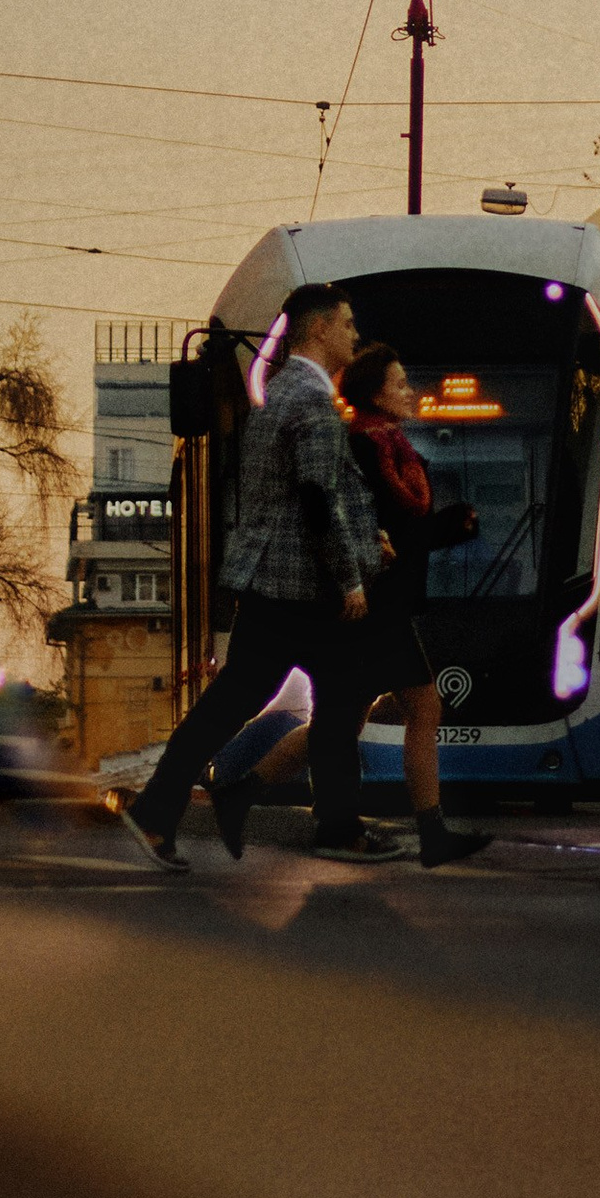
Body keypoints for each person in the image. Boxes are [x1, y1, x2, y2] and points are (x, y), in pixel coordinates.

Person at [116, 282, 397, 871]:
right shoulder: (313, 405)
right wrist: (350, 578)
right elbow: (319, 497)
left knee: (243, 702)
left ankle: (158, 811)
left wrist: (368, 538)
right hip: (306, 592)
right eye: (346, 324)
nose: (354, 334)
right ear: (318, 330)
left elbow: (299, 498)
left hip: (272, 586)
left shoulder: (278, 395)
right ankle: (337, 828)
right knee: (337, 699)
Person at [220, 344, 491, 869]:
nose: (411, 392)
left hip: (378, 604)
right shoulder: (367, 450)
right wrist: (453, 525)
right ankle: (431, 834)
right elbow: (385, 534)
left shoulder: (391, 448)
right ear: (374, 395)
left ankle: (241, 794)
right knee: (422, 707)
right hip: (373, 606)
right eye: (399, 383)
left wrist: (439, 530)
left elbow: (399, 535)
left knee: (340, 720)